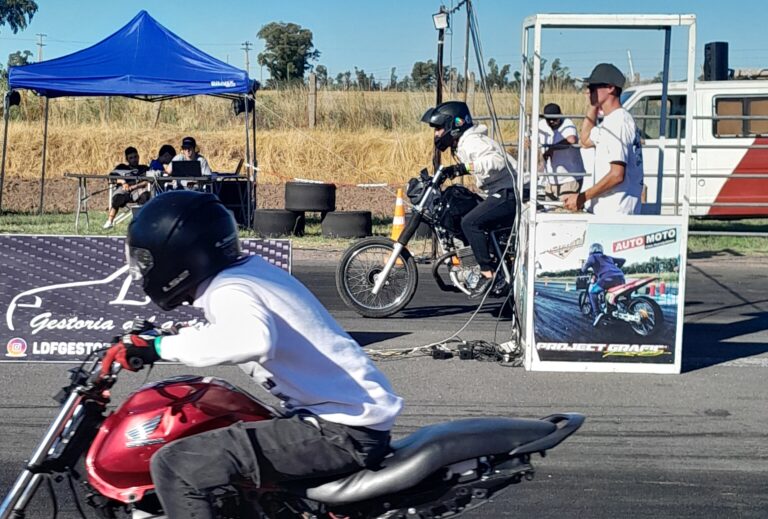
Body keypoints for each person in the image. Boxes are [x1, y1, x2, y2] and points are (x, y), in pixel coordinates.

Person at [100, 190, 402, 519]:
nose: (144, 270)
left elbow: (251, 339)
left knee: (177, 466)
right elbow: (238, 327)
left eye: (148, 260)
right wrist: (174, 336)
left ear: (176, 255)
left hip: (341, 430)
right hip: (339, 417)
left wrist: (158, 348)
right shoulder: (245, 274)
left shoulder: (229, 289)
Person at [421, 101, 517, 298]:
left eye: (438, 128)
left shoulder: (472, 141)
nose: (436, 134)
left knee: (471, 222)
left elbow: (497, 162)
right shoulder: (464, 143)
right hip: (501, 190)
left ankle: (488, 274)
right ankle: (489, 260)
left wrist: (462, 168)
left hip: (511, 192)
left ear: (453, 125)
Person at [562, 63, 644, 215]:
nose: (588, 92)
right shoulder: (610, 122)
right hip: (608, 211)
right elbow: (585, 139)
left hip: (616, 211)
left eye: (593, 88)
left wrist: (582, 197)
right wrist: (593, 106)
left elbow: (617, 174)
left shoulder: (618, 122)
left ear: (610, 88)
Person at [537, 103, 584, 202]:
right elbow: (531, 140)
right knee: (548, 212)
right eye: (549, 120)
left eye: (555, 119)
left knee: (565, 212)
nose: (552, 122)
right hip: (550, 180)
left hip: (569, 179)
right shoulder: (541, 125)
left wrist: (552, 149)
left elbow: (571, 139)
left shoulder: (567, 123)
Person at [103, 146, 150, 229]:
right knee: (117, 198)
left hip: (138, 190)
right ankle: (110, 221)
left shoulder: (144, 169)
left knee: (145, 195)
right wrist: (123, 182)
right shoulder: (121, 167)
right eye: (131, 158)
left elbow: (147, 181)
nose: (134, 159)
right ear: (127, 159)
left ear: (138, 157)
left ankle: (140, 221)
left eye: (135, 157)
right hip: (123, 190)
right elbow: (110, 178)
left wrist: (135, 186)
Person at [581, 242, 626, 327]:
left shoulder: (592, 257)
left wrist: (585, 268)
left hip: (607, 279)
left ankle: (597, 314)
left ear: (591, 250)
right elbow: (623, 260)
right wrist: (615, 269)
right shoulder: (608, 257)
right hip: (621, 277)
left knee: (592, 292)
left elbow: (584, 269)